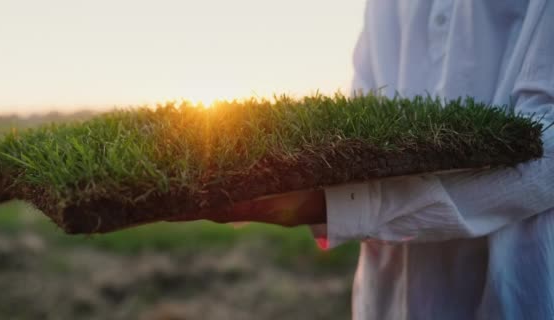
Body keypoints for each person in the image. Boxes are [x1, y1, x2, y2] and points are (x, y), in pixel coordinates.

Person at [171, 1, 554, 319]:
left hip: (512, 295)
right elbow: (365, 116)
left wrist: (335, 205)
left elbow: (546, 148)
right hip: (384, 298)